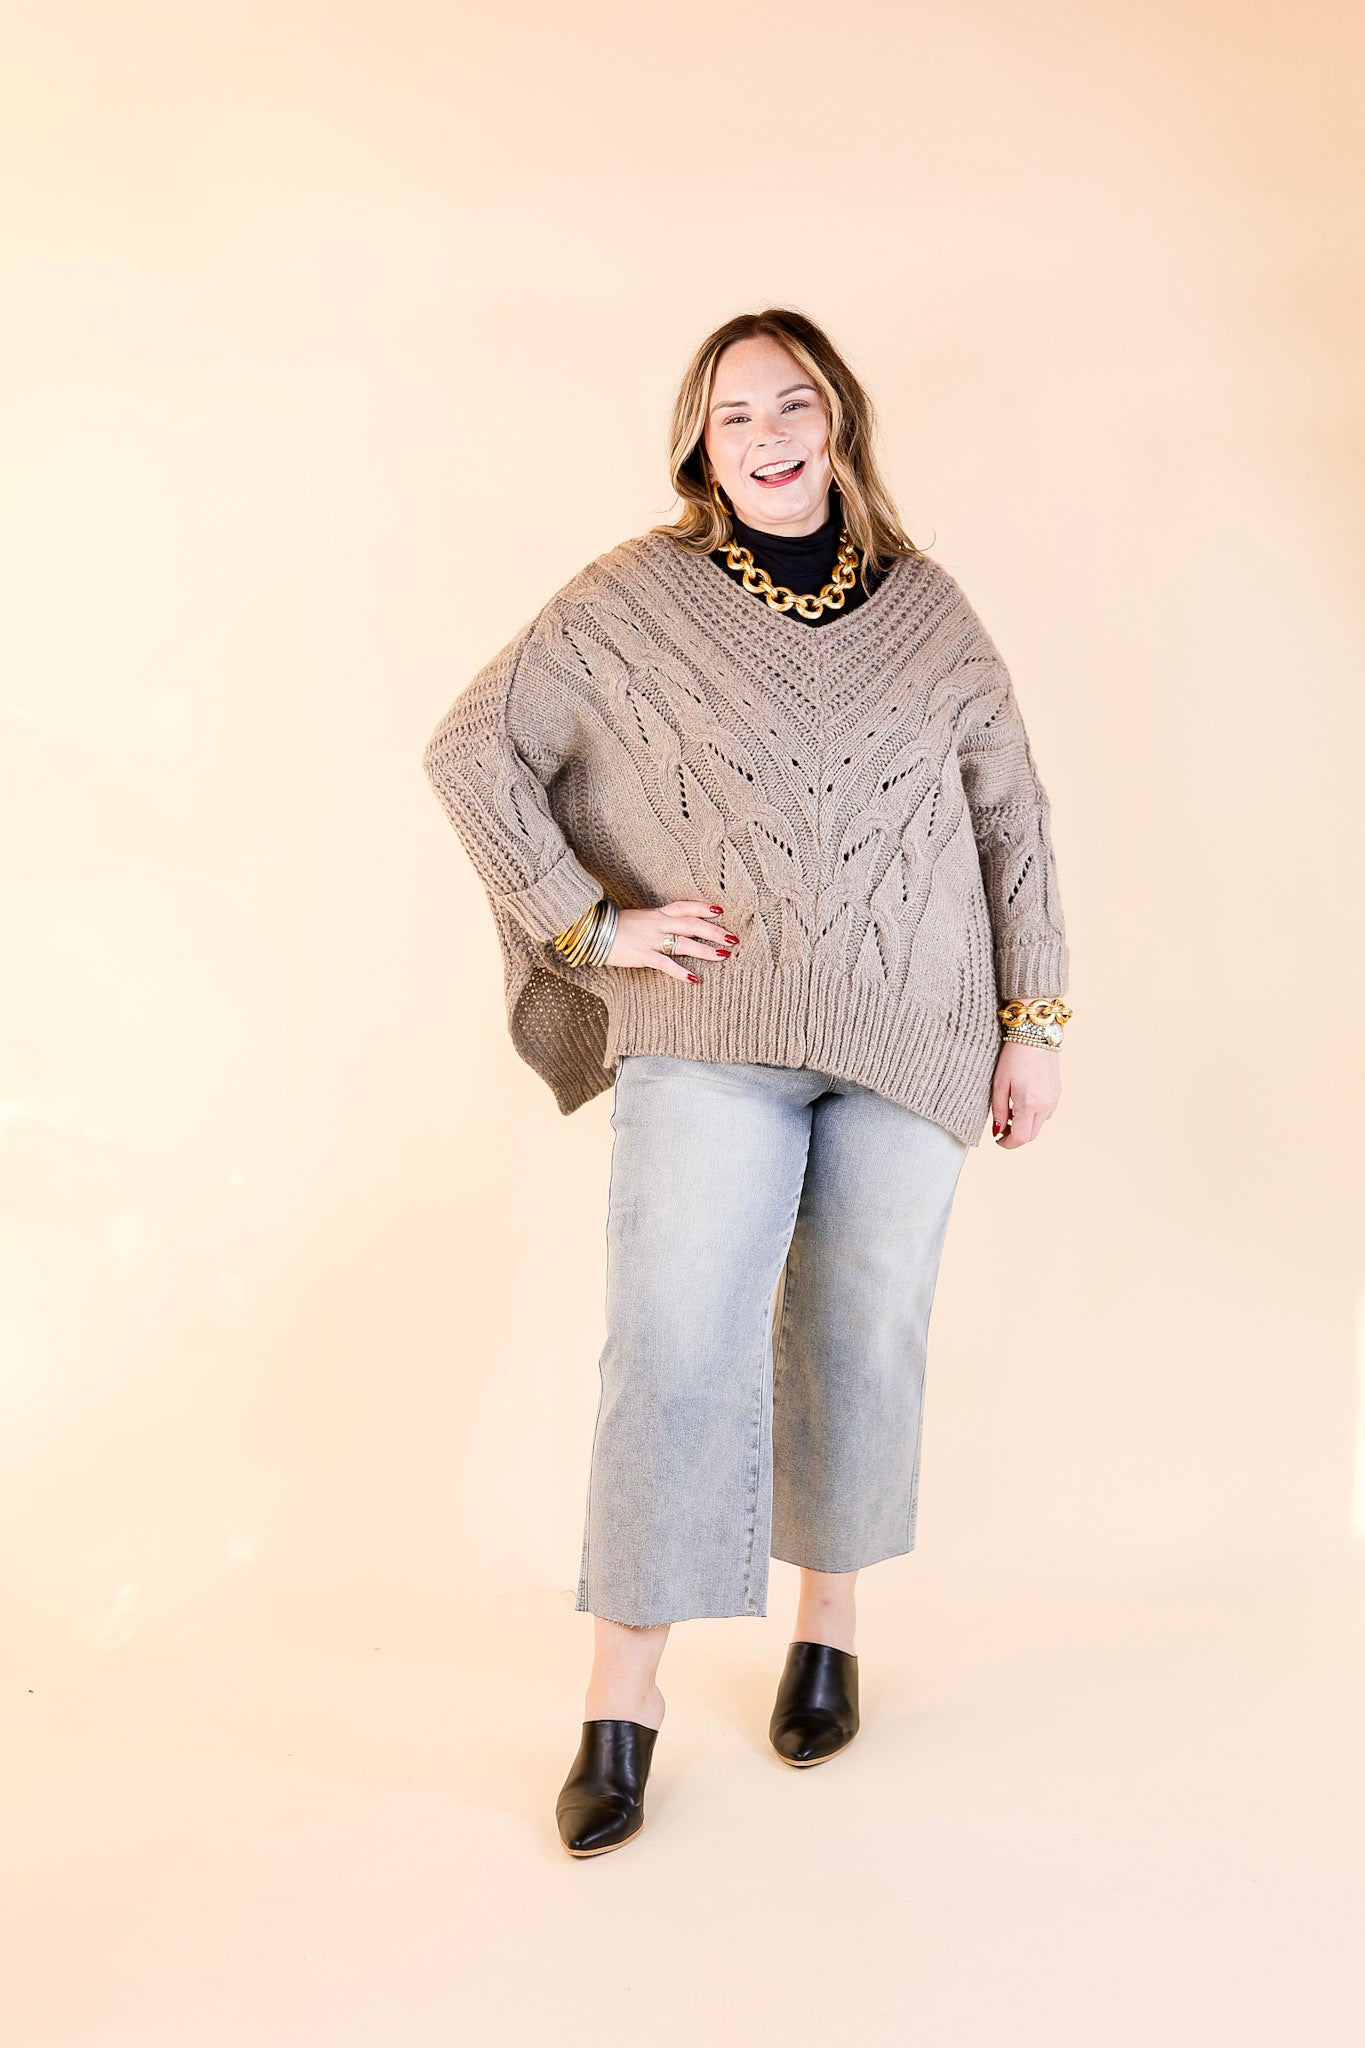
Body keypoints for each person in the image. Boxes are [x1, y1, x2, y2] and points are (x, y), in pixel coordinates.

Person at [422, 307, 1073, 1858]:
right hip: (710, 1035)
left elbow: (1012, 819)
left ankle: (827, 1629)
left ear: (837, 422)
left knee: (859, 1338)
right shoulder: (628, 600)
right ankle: (619, 1707)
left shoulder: (930, 611)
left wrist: (1031, 1023)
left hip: (914, 1036)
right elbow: (469, 750)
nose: (768, 436)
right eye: (735, 417)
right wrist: (589, 925)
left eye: (792, 406)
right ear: (699, 448)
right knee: (669, 1350)